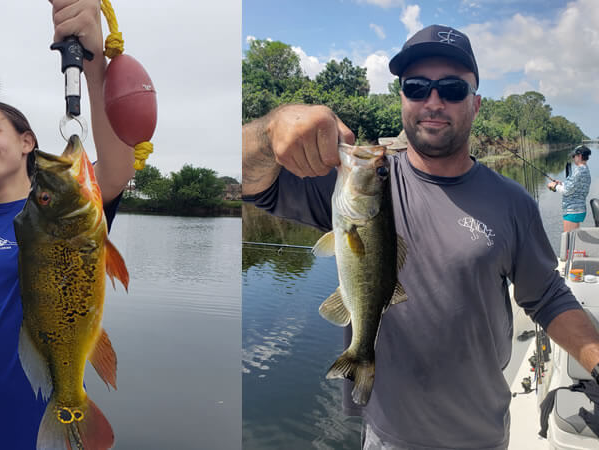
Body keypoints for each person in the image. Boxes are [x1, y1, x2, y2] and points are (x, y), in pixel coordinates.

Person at [243, 24, 599, 449]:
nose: (433, 101)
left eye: (451, 89)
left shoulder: (513, 202)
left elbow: (548, 298)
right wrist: (270, 132)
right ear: (401, 98)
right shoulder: (354, 184)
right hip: (389, 437)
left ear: (476, 104)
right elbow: (246, 182)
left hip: (483, 435)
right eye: (416, 86)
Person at [0, 1, 135, 448]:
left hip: (39, 401)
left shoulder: (63, 211)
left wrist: (93, 62)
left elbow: (117, 166)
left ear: (27, 142)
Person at [548, 145, 592, 232]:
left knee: (569, 241)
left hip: (573, 210)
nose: (573, 158)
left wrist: (555, 186)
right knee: (574, 240)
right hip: (577, 209)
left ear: (579, 156)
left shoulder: (578, 171)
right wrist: (562, 184)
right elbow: (575, 186)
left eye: (573, 156)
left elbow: (567, 191)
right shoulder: (585, 169)